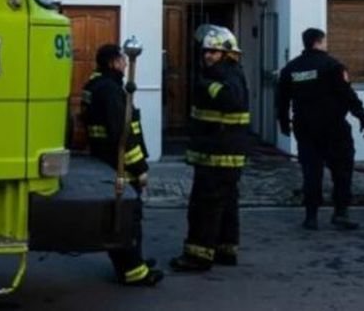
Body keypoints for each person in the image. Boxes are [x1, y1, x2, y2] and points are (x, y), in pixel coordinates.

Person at [80, 43, 164, 287]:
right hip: (120, 167)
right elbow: (123, 134)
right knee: (128, 217)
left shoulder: (93, 86)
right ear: (112, 63)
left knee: (119, 216)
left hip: (103, 162)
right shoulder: (110, 91)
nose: (126, 64)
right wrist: (139, 168)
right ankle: (133, 271)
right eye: (122, 60)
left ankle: (134, 262)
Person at [169, 26, 251, 273]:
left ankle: (198, 256)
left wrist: (207, 86)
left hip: (217, 154)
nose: (208, 56)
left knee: (203, 206)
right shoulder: (227, 72)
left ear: (227, 53)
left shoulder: (223, 75)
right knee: (226, 204)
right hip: (221, 153)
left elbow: (232, 100)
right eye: (206, 51)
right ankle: (225, 249)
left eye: (214, 52)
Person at [276, 28, 364, 231]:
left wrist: (283, 123)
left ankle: (311, 217)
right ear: (319, 42)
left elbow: (281, 100)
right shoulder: (332, 66)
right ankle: (340, 213)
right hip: (334, 128)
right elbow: (347, 94)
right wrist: (361, 116)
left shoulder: (291, 69)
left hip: (306, 129)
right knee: (342, 171)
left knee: (311, 172)